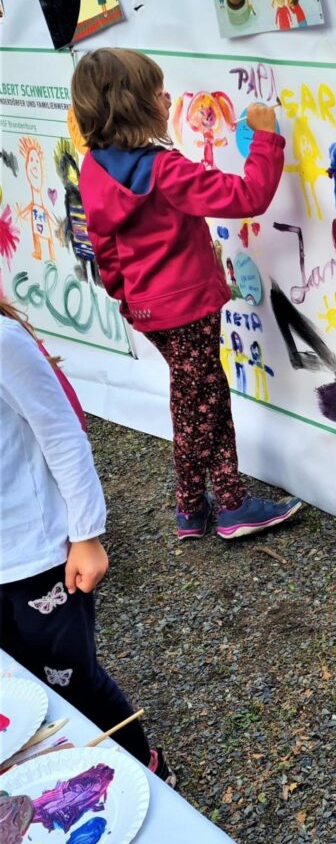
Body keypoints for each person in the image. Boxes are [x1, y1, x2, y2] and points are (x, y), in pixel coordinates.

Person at [71, 48, 303, 541]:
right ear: (138, 105)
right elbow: (247, 197)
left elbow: (104, 247)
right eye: (157, 90)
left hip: (150, 310)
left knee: (205, 396)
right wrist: (264, 138)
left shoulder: (94, 169)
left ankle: (225, 503)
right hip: (189, 308)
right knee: (197, 404)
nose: (167, 96)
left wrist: (127, 300)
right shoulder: (165, 170)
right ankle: (195, 505)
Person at [0, 300, 174, 784]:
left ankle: (147, 769)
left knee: (70, 677)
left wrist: (86, 534)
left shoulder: (3, 342)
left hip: (38, 556)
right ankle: (54, 768)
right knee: (15, 685)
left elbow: (62, 434)